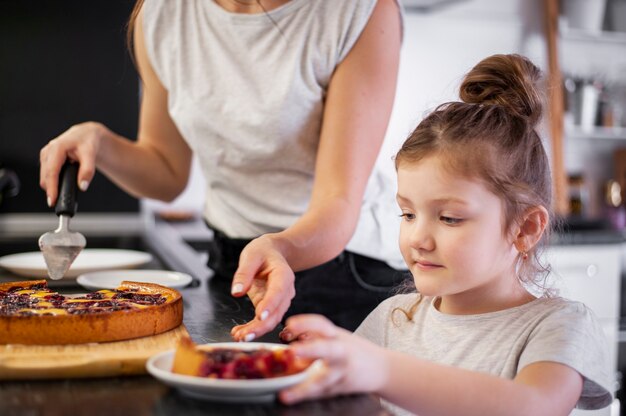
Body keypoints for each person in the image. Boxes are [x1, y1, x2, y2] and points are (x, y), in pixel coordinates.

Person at [38, 0, 408, 340]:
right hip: (236, 264)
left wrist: (279, 246)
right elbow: (166, 174)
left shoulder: (359, 12)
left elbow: (337, 201)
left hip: (343, 269)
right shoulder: (164, 13)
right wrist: (100, 143)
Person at [278, 54, 612, 415]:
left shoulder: (559, 326)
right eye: (407, 214)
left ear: (524, 229)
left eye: (450, 218)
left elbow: (530, 407)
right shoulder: (392, 319)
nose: (418, 237)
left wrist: (379, 369)